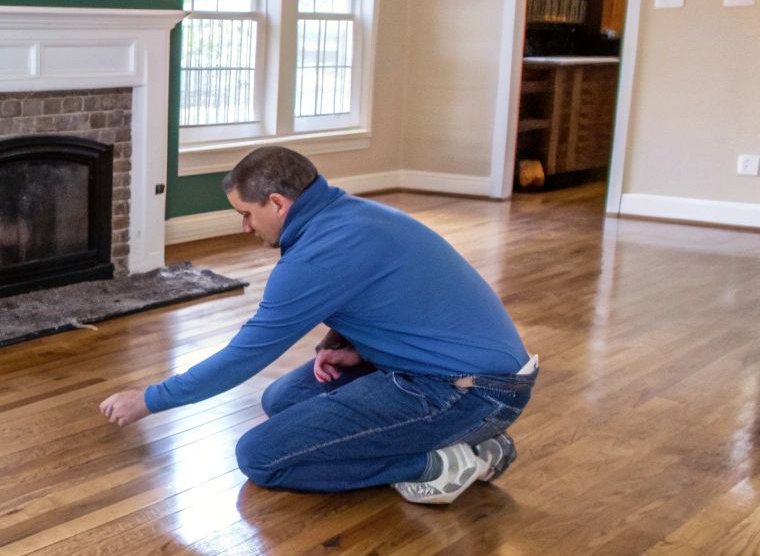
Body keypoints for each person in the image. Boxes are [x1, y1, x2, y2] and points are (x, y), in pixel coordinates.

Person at [98, 146, 536, 505]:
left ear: (277, 203)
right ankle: (466, 444)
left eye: (247, 214)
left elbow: (244, 356)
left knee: (262, 457)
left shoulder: (316, 255)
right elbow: (395, 297)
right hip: (460, 370)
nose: (244, 227)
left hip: (472, 391)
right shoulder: (350, 214)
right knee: (283, 399)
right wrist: (350, 342)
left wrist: (149, 400)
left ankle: (444, 463)